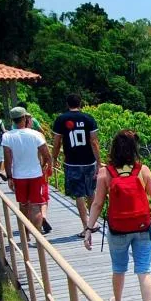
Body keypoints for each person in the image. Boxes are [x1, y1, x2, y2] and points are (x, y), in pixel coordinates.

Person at [83, 130, 151, 301]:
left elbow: (97, 204)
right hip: (143, 227)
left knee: (119, 268)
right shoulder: (142, 170)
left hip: (118, 229)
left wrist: (88, 229)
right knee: (144, 270)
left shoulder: (105, 173)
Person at [52, 93, 102, 237]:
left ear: (67, 104)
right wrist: (99, 162)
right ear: (80, 104)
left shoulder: (61, 119)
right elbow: (94, 142)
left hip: (72, 163)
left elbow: (57, 143)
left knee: (79, 195)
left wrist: (54, 158)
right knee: (91, 191)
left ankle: (86, 226)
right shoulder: (88, 119)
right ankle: (93, 223)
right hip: (89, 161)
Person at [2, 107, 52, 231]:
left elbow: (8, 160)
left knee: (23, 206)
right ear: (24, 118)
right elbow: (47, 155)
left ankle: (26, 236)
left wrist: (9, 177)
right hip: (35, 175)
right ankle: (38, 238)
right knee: (36, 206)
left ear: (13, 120)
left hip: (18, 176)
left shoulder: (7, 136)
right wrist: (42, 166)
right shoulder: (35, 134)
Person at [17, 100, 52, 234]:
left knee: (25, 202)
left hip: (20, 173)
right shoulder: (38, 135)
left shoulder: (13, 134)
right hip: (38, 171)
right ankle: (42, 217)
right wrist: (47, 166)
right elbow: (46, 155)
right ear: (28, 121)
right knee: (42, 198)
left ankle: (26, 230)